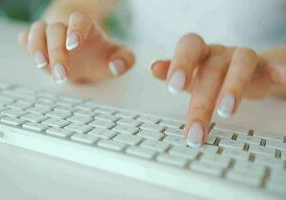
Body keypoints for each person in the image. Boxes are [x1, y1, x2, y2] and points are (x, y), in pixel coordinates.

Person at [17, 0, 286, 147]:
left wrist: (270, 70)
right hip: (138, 112)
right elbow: (79, 6)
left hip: (263, 118)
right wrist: (66, 34)